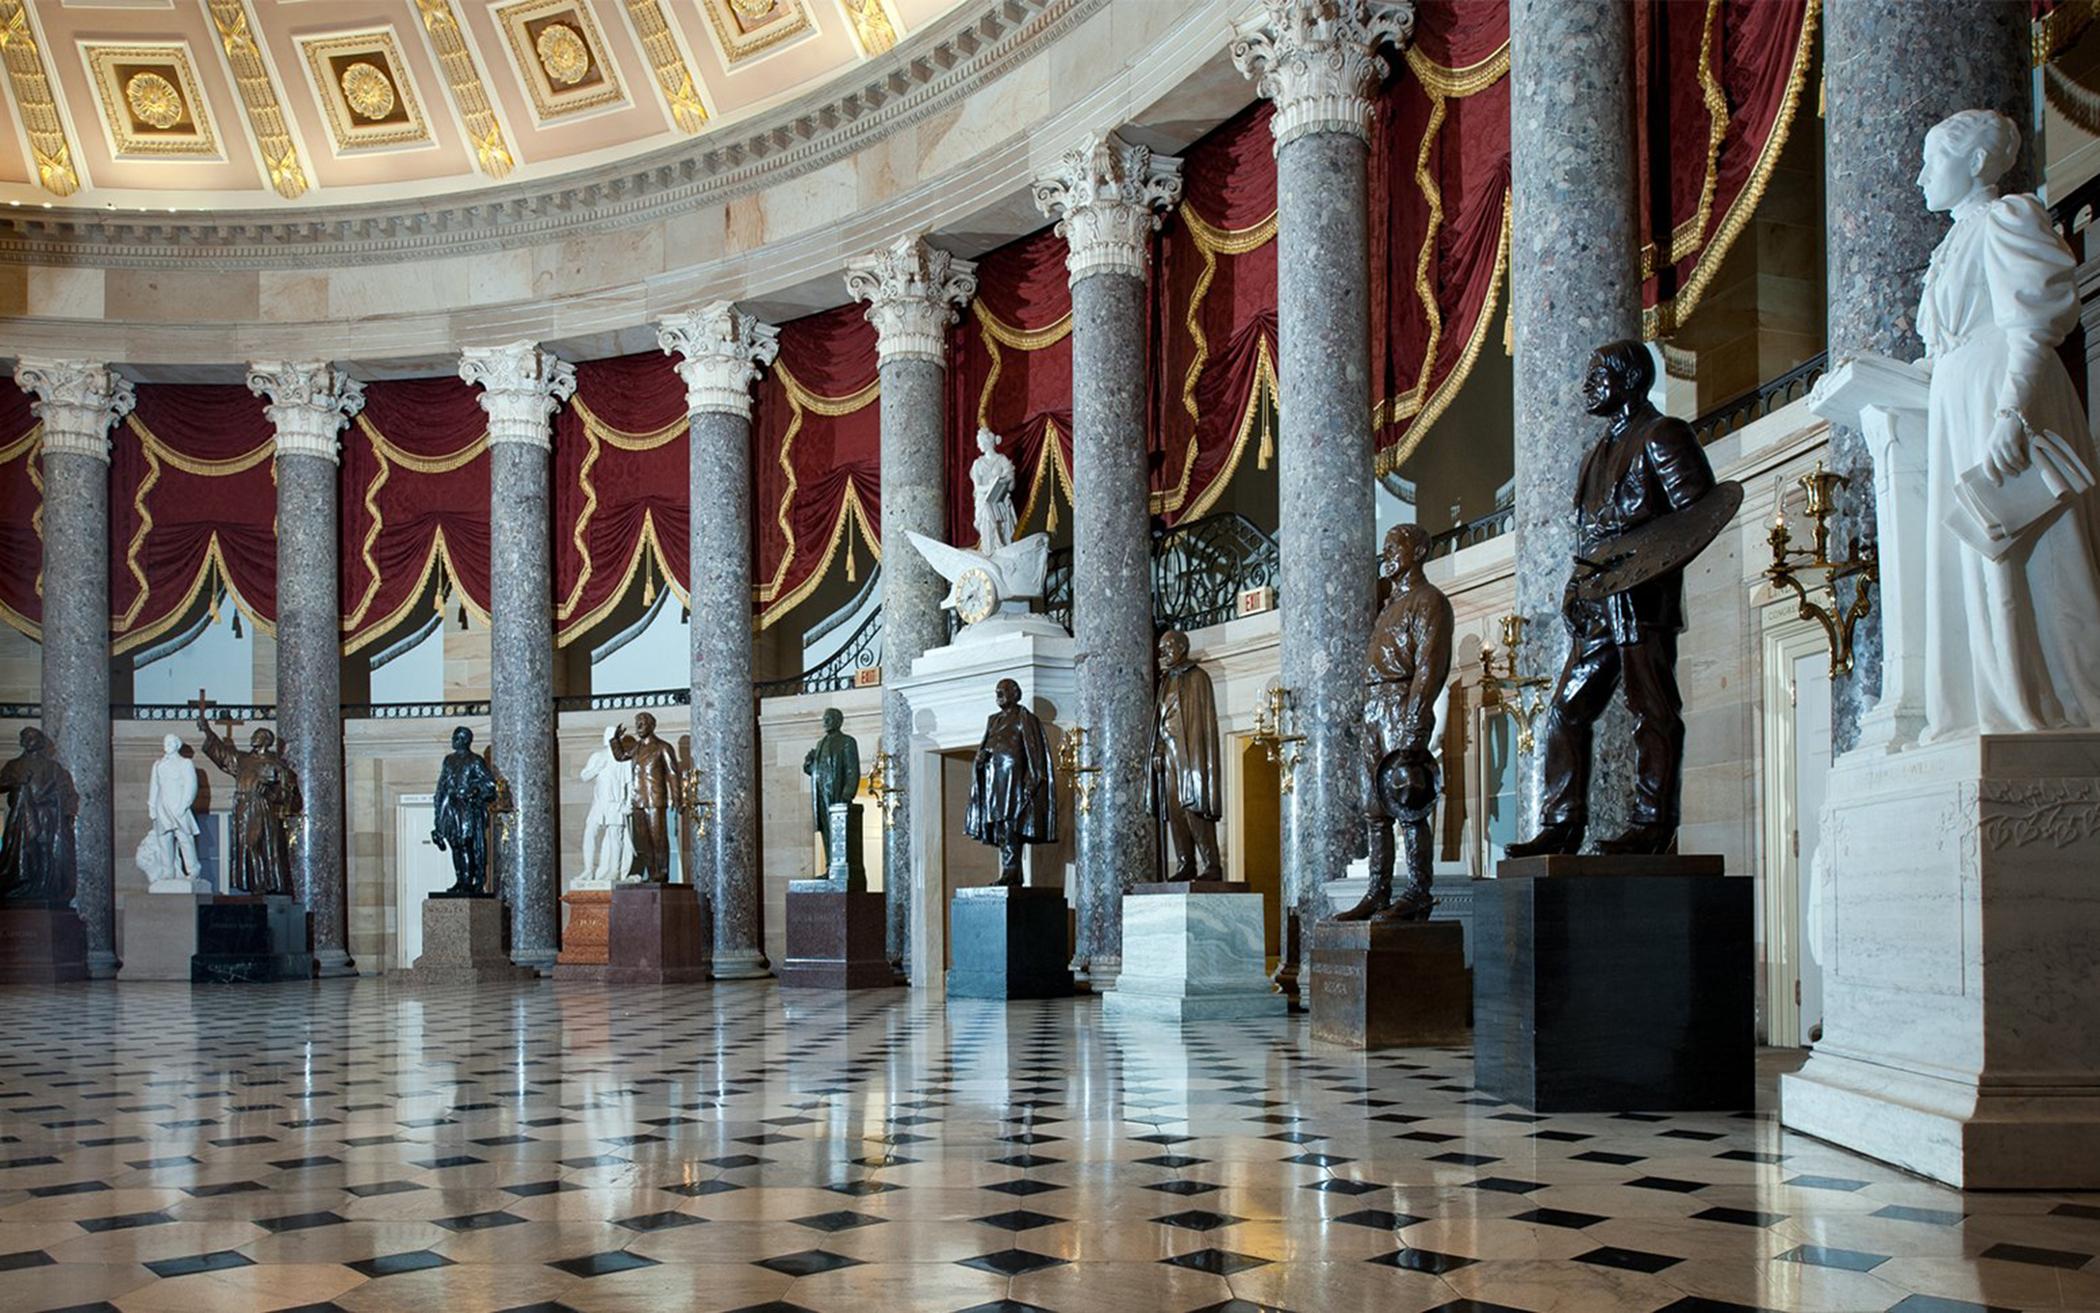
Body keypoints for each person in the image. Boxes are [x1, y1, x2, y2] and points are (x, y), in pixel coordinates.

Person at [1911, 108, 2100, 737]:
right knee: (1975, 555)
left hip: (1998, 393)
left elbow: (2034, 325)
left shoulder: (2007, 217)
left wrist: (2011, 414)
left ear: (1972, 162)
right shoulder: (1952, 244)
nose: (1919, 178)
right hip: (1958, 398)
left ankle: (2047, 705)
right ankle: (1984, 702)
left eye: (1930, 160)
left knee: (2023, 550)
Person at [1508, 340, 1717, 857]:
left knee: (1652, 709)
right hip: (1598, 602)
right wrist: (1573, 591)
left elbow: (1697, 517)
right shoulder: (1593, 456)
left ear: (1628, 378)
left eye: (1597, 373)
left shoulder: (1663, 434)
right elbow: (1587, 541)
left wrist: (1638, 556)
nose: (1587, 384)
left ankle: (1653, 823)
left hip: (1642, 598)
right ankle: (1562, 823)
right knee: (1564, 712)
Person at [1336, 523, 1452, 921]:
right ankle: (1378, 892)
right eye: (1384, 547)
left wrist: (1415, 723)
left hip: (1402, 705)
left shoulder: (1429, 601)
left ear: (1418, 551)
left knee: (1410, 803)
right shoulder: (1388, 606)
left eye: (1394, 546)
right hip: (1374, 707)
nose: (1387, 554)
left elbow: (1429, 666)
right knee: (1375, 808)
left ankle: (1419, 892)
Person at [964, 678, 1057, 886]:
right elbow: (985, 747)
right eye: (997, 691)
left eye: (1003, 690)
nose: (998, 694)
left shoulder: (1025, 718)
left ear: (1015, 693)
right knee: (1000, 827)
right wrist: (980, 760)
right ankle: (1012, 873)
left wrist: (1034, 778)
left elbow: (1035, 751)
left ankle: (1011, 872)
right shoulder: (993, 720)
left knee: (1011, 827)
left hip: (1014, 783)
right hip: (994, 782)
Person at [198, 714, 301, 896]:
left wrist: (269, 793)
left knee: (257, 844)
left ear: (265, 741)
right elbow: (223, 756)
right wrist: (207, 731)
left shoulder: (276, 766)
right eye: (254, 735)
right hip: (242, 806)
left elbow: (287, 796)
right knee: (244, 846)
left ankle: (266, 883)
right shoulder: (244, 760)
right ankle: (253, 885)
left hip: (260, 807)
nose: (253, 738)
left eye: (258, 735)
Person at [1152, 629, 1223, 882]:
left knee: (1194, 808)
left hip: (1191, 754)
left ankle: (1212, 864)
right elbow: (1160, 721)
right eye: (1161, 648)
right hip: (1170, 753)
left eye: (1167, 647)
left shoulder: (1198, 678)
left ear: (1181, 647)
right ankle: (1186, 863)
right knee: (1174, 810)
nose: (1163, 653)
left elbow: (1202, 723)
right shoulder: (1165, 681)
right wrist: (1159, 749)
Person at [0, 727, 77, 904]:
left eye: (33, 737)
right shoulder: (13, 765)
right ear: (21, 742)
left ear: (40, 742)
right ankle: (23, 884)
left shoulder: (53, 767)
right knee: (25, 850)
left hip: (45, 815)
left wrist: (65, 809)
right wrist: (16, 781)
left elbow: (66, 791)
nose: (29, 741)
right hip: (20, 818)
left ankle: (43, 886)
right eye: (25, 737)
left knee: (45, 850)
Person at [431, 726, 500, 895]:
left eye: (457, 737)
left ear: (465, 740)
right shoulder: (448, 760)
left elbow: (489, 784)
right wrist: (438, 810)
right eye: (454, 737)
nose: (454, 740)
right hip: (451, 806)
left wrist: (474, 790)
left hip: (466, 808)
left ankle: (469, 881)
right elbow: (442, 785)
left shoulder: (475, 760)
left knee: (465, 843)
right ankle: (460, 879)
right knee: (455, 844)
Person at [622, 712, 679, 882]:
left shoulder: (663, 747)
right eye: (637, 723)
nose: (638, 726)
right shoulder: (636, 748)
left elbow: (673, 774)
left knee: (658, 839)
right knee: (645, 842)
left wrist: (677, 798)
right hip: (638, 800)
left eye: (642, 723)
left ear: (652, 726)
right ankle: (652, 873)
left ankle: (662, 872)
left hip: (655, 800)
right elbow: (620, 756)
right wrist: (615, 740)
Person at [803, 708, 861, 868]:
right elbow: (817, 771)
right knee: (825, 831)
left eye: (829, 719)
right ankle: (830, 866)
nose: (825, 722)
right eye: (824, 719)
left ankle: (840, 869)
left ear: (838, 721)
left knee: (838, 833)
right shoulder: (820, 743)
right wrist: (809, 764)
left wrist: (847, 794)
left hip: (836, 796)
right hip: (821, 794)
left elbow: (852, 770)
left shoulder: (847, 742)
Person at [577, 723, 635, 884]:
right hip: (599, 803)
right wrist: (596, 768)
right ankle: (588, 869)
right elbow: (584, 776)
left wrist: (628, 803)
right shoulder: (598, 756)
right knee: (590, 831)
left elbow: (629, 784)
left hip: (616, 803)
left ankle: (614, 871)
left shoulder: (624, 760)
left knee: (615, 836)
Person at [143, 734, 200, 886]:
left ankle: (193, 870)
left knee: (185, 839)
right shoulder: (158, 764)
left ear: (177, 745)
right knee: (164, 840)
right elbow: (154, 787)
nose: (166, 744)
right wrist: (152, 807)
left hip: (178, 807)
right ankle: (168, 871)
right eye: (165, 742)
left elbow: (191, 786)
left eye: (170, 742)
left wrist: (183, 806)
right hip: (162, 807)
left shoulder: (185, 763)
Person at [970, 426, 1018, 553]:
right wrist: (990, 486)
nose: (978, 445)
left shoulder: (1002, 460)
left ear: (987, 442)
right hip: (984, 499)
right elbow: (978, 487)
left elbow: (1012, 486)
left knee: (1001, 523)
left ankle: (1002, 545)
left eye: (980, 442)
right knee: (986, 510)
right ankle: (993, 547)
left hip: (1000, 498)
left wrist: (1007, 480)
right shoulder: (978, 464)